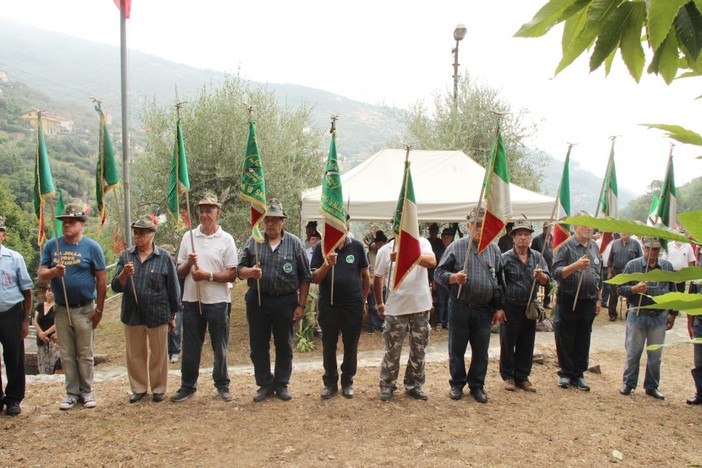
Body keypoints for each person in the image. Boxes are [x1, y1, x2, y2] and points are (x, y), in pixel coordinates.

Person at [238, 199, 311, 402]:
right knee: (258, 346)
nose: (270, 224)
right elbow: (239, 270)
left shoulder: (294, 243)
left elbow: (305, 276)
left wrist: (301, 305)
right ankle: (264, 384)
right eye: (267, 220)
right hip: (258, 301)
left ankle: (281, 383)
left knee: (284, 345)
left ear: (282, 222)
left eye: (275, 220)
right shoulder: (254, 241)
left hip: (285, 301)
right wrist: (251, 272)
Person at [38, 201, 107, 410]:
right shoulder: (52, 245)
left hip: (85, 307)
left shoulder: (92, 248)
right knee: (67, 354)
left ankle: (86, 392)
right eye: (64, 222)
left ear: (81, 224)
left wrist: (100, 310)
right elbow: (41, 274)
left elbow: (102, 280)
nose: (67, 225)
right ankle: (71, 393)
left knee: (85, 353)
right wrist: (53, 273)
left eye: (71, 222)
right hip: (61, 308)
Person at [434, 207, 505, 403]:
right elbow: (438, 274)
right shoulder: (456, 247)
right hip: (460, 307)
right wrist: (454, 277)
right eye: (476, 225)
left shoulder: (494, 249)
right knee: (456, 349)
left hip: (484, 310)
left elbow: (500, 280)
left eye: (483, 225)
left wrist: (499, 306)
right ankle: (457, 384)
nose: (479, 229)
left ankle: (477, 385)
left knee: (481, 350)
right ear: (468, 226)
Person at [171, 193, 238, 403]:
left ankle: (222, 385)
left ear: (218, 212)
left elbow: (232, 273)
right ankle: (188, 386)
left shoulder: (226, 239)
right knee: (191, 345)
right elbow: (179, 272)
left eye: (209, 210)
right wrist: (189, 264)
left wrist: (207, 276)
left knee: (220, 345)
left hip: (218, 301)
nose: (204, 214)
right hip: (192, 300)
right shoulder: (188, 237)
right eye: (201, 210)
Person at [112, 215, 181, 403]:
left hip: (157, 313)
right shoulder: (125, 256)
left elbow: (173, 288)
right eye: (135, 232)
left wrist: (173, 314)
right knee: (135, 353)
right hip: (132, 313)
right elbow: (115, 287)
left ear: (152, 235)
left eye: (141, 233)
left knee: (159, 353)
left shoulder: (164, 257)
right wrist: (124, 275)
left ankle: (159, 388)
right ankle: (139, 387)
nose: (137, 236)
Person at [374, 232, 436, 401]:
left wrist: (405, 256)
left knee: (419, 348)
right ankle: (387, 385)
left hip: (420, 306)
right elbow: (378, 278)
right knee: (392, 349)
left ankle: (414, 385)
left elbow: (432, 262)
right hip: (396, 307)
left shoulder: (422, 243)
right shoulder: (385, 250)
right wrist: (379, 303)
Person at [311, 233, 370, 399]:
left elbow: (365, 276)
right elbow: (315, 278)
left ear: (347, 226)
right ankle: (330, 382)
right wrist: (327, 265)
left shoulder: (357, 246)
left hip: (352, 305)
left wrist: (364, 301)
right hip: (329, 305)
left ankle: (347, 381)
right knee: (329, 343)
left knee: (351, 344)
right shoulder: (321, 247)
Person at [617, 236, 677, 400]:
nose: (653, 252)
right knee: (633, 352)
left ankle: (651, 386)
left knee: (655, 355)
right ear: (643, 248)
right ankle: (628, 383)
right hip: (637, 314)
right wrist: (634, 289)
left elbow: (673, 291)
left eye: (656, 249)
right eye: (649, 249)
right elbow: (620, 289)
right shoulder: (633, 265)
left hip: (659, 316)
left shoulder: (666, 267)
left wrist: (673, 313)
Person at [551, 212, 602, 391]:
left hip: (588, 300)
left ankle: (578, 374)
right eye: (583, 224)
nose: (588, 227)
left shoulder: (594, 246)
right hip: (569, 297)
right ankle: (565, 373)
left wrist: (599, 298)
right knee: (566, 335)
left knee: (583, 337)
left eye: (590, 224)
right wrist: (575, 266)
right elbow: (556, 272)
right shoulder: (566, 246)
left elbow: (598, 273)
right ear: (574, 227)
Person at [499, 219, 550, 392]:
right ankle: (508, 376)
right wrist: (499, 307)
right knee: (508, 342)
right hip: (510, 306)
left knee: (527, 342)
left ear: (531, 237)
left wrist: (541, 276)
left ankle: (523, 376)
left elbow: (547, 281)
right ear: (513, 237)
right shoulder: (504, 258)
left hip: (529, 306)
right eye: (519, 234)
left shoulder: (538, 256)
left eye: (526, 235)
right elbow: (499, 283)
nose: (522, 238)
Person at [0, 215, 33, 416]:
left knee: (14, 356)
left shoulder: (14, 258)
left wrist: (25, 319)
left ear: (3, 234)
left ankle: (13, 398)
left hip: (11, 313)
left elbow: (27, 291)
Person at [607, 232, 643, 321]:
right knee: (613, 294)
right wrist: (609, 272)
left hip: (630, 274)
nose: (624, 233)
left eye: (626, 232)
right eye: (622, 232)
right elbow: (610, 259)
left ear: (630, 233)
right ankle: (612, 314)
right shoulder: (615, 243)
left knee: (630, 293)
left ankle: (629, 313)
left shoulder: (636, 244)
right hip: (616, 273)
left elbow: (641, 259)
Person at [161, 244, 184, 364]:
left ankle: (175, 351)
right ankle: (166, 351)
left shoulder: (178, 268)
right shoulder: (160, 267)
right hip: (163, 303)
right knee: (164, 329)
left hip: (177, 302)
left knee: (176, 328)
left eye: (171, 255)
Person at [33, 285, 60, 375]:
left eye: (52, 291)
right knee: (42, 363)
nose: (50, 293)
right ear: (45, 293)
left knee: (54, 361)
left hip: (53, 338)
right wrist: (41, 333)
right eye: (48, 291)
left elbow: (58, 322)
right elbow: (35, 321)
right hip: (41, 339)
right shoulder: (40, 306)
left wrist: (46, 333)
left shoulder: (57, 306)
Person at [687, 249, 702, 405]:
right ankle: (700, 393)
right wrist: (690, 323)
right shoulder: (696, 278)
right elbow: (690, 301)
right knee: (699, 362)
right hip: (699, 322)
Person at [366, 230, 387, 333]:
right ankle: (374, 324)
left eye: (382, 243)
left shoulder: (388, 253)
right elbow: (366, 270)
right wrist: (368, 285)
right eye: (378, 243)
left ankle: (383, 324)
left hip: (384, 284)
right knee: (372, 306)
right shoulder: (369, 254)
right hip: (372, 282)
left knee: (384, 305)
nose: (380, 246)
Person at [434, 228, 454, 330]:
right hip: (440, 279)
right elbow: (434, 266)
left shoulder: (454, 249)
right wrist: (433, 280)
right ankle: (440, 321)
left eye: (448, 237)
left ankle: (448, 321)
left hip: (451, 279)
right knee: (441, 301)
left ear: (451, 238)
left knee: (449, 301)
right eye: (444, 237)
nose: (446, 239)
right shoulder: (438, 250)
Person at [530, 221, 553, 309]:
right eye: (545, 228)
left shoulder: (553, 239)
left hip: (550, 265)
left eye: (548, 228)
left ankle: (546, 302)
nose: (546, 230)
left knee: (549, 284)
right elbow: (532, 252)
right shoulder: (537, 239)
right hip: (539, 265)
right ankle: (534, 300)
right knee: (537, 283)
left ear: (551, 229)